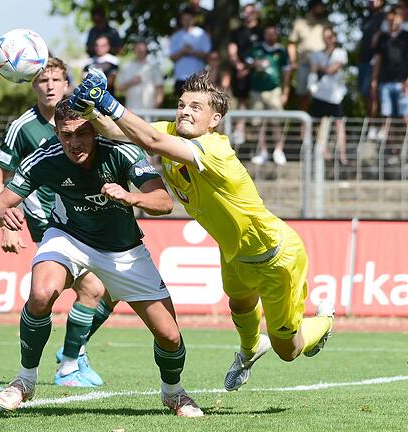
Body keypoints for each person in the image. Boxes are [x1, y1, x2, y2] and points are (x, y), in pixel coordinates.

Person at [69, 68, 335, 393]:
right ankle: (250, 351)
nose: (185, 111)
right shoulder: (171, 131)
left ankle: (324, 321)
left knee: (289, 350)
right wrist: (89, 110)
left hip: (274, 256)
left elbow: (149, 140)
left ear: (214, 120)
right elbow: (121, 133)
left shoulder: (215, 148)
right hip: (234, 251)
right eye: (182, 104)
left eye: (196, 107)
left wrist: (107, 100)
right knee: (239, 305)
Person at [0, 97, 203, 417]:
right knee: (41, 293)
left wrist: (130, 196)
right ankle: (25, 380)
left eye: (81, 133)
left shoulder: (121, 150)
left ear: (95, 129)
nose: (74, 143)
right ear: (57, 133)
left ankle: (173, 392)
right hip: (68, 237)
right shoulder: (45, 157)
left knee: (170, 335)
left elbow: (163, 201)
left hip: (123, 251)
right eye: (65, 134)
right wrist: (4, 217)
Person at [0, 57, 110, 387]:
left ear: (67, 84)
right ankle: (69, 363)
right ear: (32, 84)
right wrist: (5, 224)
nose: (50, 86)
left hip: (81, 219)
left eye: (57, 80)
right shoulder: (22, 127)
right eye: (43, 81)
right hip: (47, 222)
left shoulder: (82, 120)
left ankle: (74, 351)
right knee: (92, 288)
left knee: (107, 291)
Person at [371, 7, 408, 145]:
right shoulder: (383, 38)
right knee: (387, 117)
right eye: (391, 18)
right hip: (385, 82)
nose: (393, 21)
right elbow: (378, 61)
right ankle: (392, 150)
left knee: (406, 115)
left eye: (396, 17)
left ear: (401, 18)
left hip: (403, 83)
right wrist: (374, 81)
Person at [246, 24, 291, 166]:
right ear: (264, 35)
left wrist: (286, 91)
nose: (270, 36)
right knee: (258, 122)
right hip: (256, 90)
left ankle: (278, 150)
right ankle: (263, 151)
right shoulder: (256, 48)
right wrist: (255, 64)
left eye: (273, 33)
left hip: (274, 90)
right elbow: (247, 64)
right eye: (268, 33)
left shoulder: (282, 52)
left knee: (276, 121)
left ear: (276, 35)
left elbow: (287, 73)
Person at [309, 27, 348, 165]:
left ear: (334, 38)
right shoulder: (316, 54)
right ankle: (322, 152)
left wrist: (319, 67)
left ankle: (342, 154)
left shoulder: (340, 53)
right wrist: (311, 85)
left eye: (329, 36)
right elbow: (312, 72)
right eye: (324, 36)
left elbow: (333, 69)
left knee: (339, 124)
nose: (327, 39)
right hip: (320, 94)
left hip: (335, 95)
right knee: (319, 124)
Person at [227, 2, 263, 145]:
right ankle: (240, 131)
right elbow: (232, 51)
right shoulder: (237, 32)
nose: (247, 15)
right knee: (241, 101)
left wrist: (249, 68)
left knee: (258, 104)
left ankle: (260, 143)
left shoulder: (261, 31)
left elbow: (264, 53)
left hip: (259, 75)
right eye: (245, 12)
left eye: (250, 12)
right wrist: (239, 66)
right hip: (240, 73)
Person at [287, 0, 329, 112]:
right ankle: (303, 128)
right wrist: (293, 61)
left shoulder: (325, 24)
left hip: (322, 67)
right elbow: (291, 44)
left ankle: (320, 127)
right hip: (304, 65)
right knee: (303, 97)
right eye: (320, 6)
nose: (323, 9)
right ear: (313, 7)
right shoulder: (300, 24)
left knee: (322, 98)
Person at [169, 7, 211, 97]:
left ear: (194, 19)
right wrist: (183, 51)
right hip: (180, 78)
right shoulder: (176, 36)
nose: (187, 21)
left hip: (198, 78)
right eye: (184, 19)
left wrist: (192, 52)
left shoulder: (202, 34)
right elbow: (172, 57)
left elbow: (207, 56)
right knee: (181, 106)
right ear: (181, 20)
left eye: (189, 19)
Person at [358, 0, 386, 123]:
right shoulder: (366, 18)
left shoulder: (385, 18)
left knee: (374, 94)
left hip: (377, 61)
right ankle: (371, 124)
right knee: (365, 93)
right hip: (363, 60)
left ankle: (376, 125)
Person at [116, 41, 164, 111]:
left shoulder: (153, 67)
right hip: (131, 110)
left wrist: (155, 107)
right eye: (138, 49)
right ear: (134, 50)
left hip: (149, 110)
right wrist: (131, 82)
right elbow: (119, 88)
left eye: (142, 49)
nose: (140, 51)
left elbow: (160, 89)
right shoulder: (126, 67)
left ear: (146, 50)